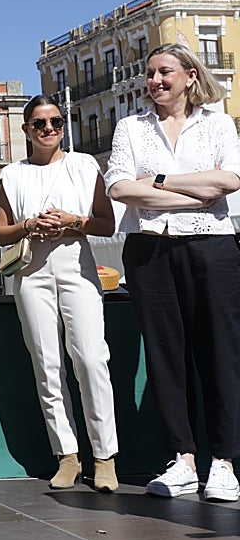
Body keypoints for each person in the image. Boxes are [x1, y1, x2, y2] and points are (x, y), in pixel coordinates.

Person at [105, 43, 240, 502]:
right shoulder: (130, 127)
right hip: (150, 250)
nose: (155, 81)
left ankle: (223, 461)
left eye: (164, 72)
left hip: (213, 246)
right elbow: (121, 187)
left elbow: (229, 181)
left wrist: (159, 181)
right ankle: (182, 459)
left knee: (220, 353)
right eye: (150, 74)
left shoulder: (218, 123)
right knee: (165, 357)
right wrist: (194, 190)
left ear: (189, 76)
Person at [0, 94, 119, 492]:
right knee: (47, 365)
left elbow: (106, 223)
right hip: (32, 271)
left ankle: (104, 457)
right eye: (40, 124)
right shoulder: (12, 174)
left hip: (76, 265)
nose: (50, 129)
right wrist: (31, 225)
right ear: (26, 130)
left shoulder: (84, 166)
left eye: (56, 122)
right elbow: (0, 233)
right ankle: (67, 454)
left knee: (91, 358)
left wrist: (72, 221)